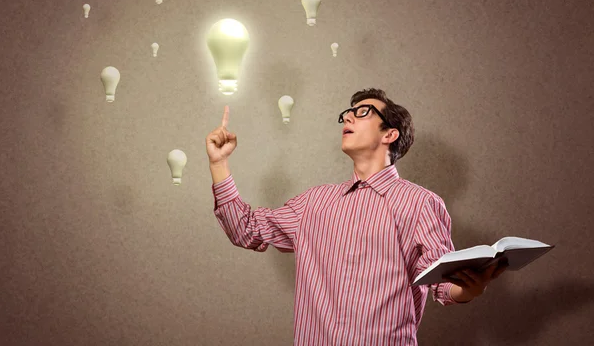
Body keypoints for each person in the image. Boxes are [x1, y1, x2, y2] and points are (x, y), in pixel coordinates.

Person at [205, 88, 507, 345]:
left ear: (390, 133)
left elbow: (441, 283)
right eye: (347, 113)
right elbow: (245, 229)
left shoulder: (420, 204)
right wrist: (219, 164)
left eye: (362, 112)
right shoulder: (313, 203)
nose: (348, 117)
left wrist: (470, 288)